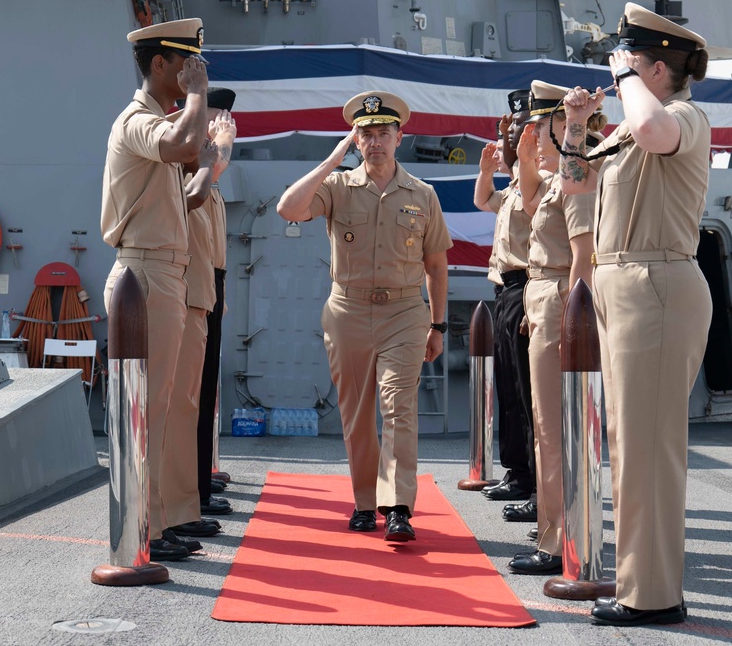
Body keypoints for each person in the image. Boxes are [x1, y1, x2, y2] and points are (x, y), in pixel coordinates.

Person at [559, 2, 713, 625]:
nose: (616, 71)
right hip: (621, 285)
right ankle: (637, 577)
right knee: (626, 445)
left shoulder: (683, 116)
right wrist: (574, 125)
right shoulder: (630, 125)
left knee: (649, 448)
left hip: (657, 282)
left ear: (654, 69)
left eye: (627, 60)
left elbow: (650, 131)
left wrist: (624, 80)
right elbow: (574, 182)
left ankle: (654, 596)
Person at [277, 91, 452, 541]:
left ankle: (398, 507)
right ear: (357, 141)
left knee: (399, 408)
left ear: (399, 137)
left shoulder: (423, 195)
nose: (375, 142)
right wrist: (332, 158)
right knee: (356, 413)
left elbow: (435, 265)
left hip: (404, 312)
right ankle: (364, 502)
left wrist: (438, 325)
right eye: (366, 135)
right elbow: (289, 209)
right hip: (348, 310)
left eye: (383, 134)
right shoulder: (336, 187)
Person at [101, 18, 211, 562]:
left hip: (165, 271)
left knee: (161, 406)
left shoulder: (160, 120)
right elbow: (184, 144)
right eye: (186, 63)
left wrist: (193, 109)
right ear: (160, 64)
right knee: (149, 407)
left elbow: (193, 166)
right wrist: (196, 98)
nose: (194, 72)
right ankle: (143, 526)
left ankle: (156, 522)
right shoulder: (138, 121)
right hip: (144, 273)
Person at [506, 81, 596, 575]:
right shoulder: (557, 179)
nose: (533, 135)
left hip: (562, 297)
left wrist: (570, 317)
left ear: (563, 128)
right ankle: (555, 533)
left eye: (541, 126)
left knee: (554, 431)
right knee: (546, 426)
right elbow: (527, 205)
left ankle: (559, 543)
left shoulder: (576, 176)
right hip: (543, 294)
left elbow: (582, 254)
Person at [160, 88, 239, 552]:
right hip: (181, 294)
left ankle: (188, 503)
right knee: (179, 407)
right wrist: (220, 148)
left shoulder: (205, 179)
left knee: (193, 403)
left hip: (201, 294)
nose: (222, 125)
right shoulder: (183, 170)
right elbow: (197, 178)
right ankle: (177, 510)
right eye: (215, 116)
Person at [473, 95, 537, 509]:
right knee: (511, 391)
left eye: (518, 128)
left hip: (527, 288)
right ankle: (518, 473)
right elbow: (483, 200)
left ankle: (535, 483)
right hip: (506, 292)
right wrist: (486, 170)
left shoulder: (540, 182)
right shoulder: (514, 187)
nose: (508, 134)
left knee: (530, 395)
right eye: (508, 128)